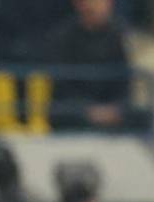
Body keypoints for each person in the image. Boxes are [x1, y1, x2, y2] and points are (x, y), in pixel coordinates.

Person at [43, 0, 137, 131]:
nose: (96, 6)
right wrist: (88, 110)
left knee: (141, 115)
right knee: (63, 113)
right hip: (75, 109)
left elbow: (123, 82)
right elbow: (62, 86)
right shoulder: (63, 37)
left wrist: (114, 108)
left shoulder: (118, 36)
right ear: (79, 4)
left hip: (111, 109)